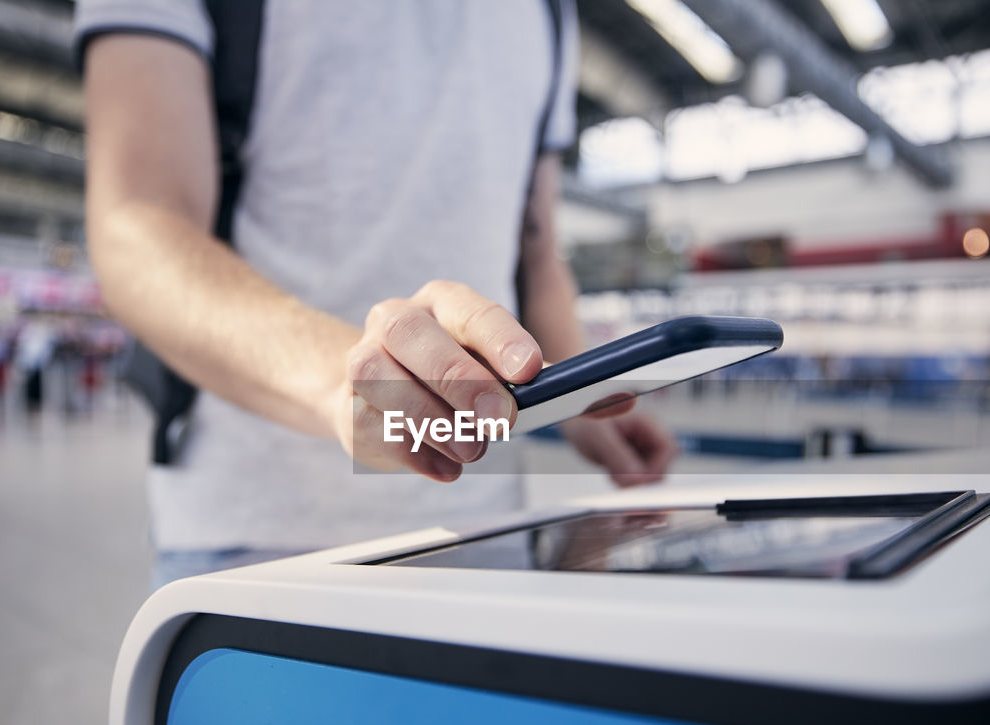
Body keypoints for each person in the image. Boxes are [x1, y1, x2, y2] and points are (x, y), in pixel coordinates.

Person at [77, 1, 677, 587]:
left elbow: (535, 248)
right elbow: (136, 224)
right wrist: (347, 385)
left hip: (489, 530)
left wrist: (576, 393)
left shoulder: (549, 11)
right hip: (261, 541)